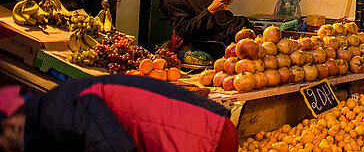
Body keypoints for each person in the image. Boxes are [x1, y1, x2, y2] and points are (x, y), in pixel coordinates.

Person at [7, 74, 237, 151]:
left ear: (14, 123)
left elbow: (114, 147)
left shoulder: (56, 110)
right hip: (208, 128)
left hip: (203, 136)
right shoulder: (56, 105)